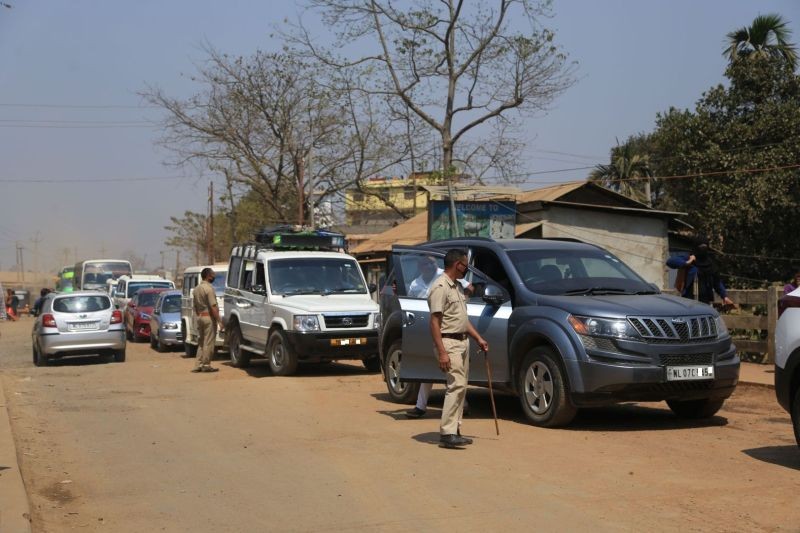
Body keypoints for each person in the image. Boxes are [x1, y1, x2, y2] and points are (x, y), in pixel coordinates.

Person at [427, 249, 488, 449]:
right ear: (457, 265)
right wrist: (442, 351)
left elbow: (462, 320)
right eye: (465, 265)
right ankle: (447, 433)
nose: (466, 269)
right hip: (449, 343)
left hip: (462, 342)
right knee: (456, 385)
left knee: (462, 387)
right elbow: (434, 322)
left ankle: (455, 429)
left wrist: (478, 338)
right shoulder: (440, 287)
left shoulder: (457, 288)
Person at [666, 240, 735, 307]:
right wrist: (687, 262)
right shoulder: (690, 258)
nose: (702, 250)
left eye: (705, 247)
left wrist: (724, 296)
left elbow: (717, 282)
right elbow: (670, 261)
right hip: (688, 302)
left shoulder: (711, 264)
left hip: (705, 302)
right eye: (700, 247)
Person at [191, 267, 223, 373]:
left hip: (200, 317)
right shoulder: (209, 289)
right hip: (208, 317)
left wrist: (199, 317)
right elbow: (213, 306)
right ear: (208, 276)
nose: (214, 276)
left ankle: (198, 365)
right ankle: (206, 364)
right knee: (209, 342)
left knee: (201, 342)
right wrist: (219, 321)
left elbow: (195, 306)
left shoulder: (196, 289)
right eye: (213, 274)